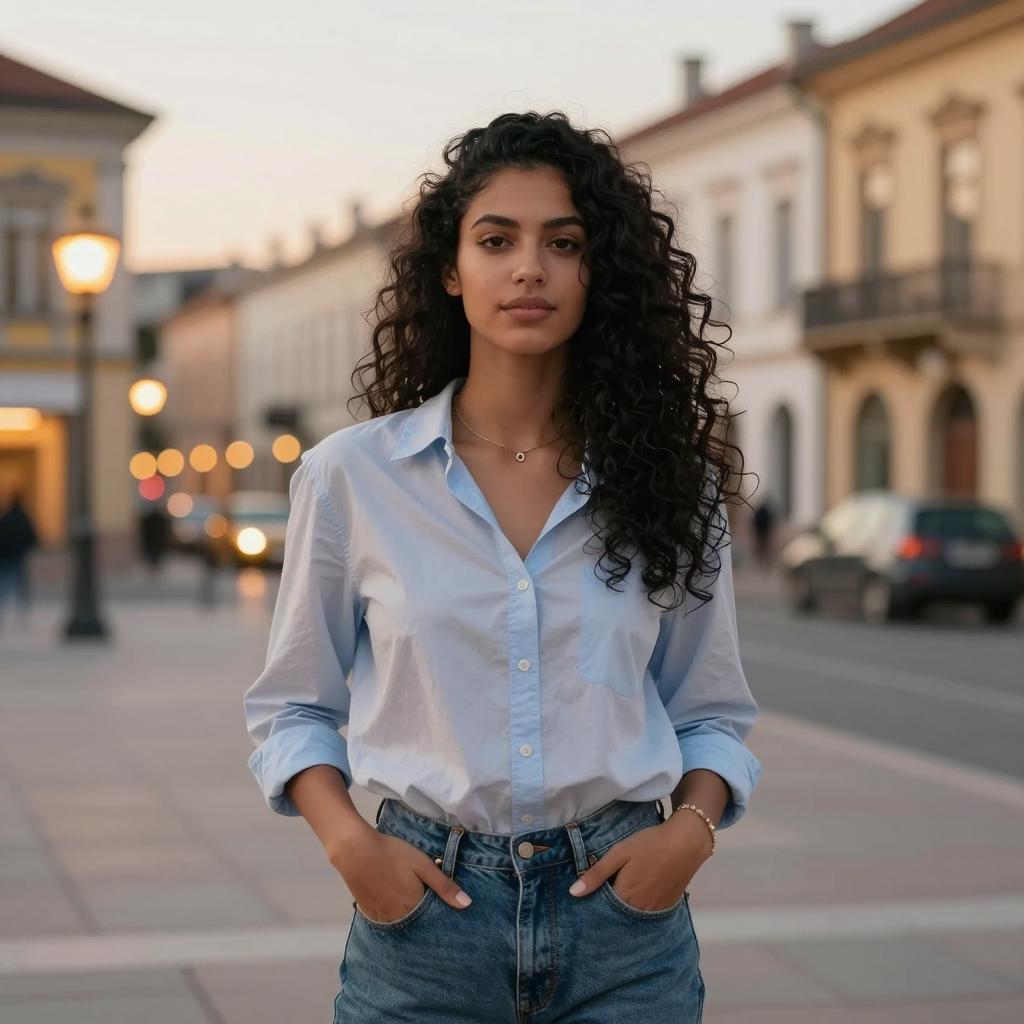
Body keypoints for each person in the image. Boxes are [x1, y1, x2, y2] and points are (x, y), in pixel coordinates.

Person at [243, 111, 762, 1023]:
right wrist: (350, 847)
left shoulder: (669, 482)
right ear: (452, 270)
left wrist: (691, 833)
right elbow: (293, 707)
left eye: (564, 242)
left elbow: (710, 712)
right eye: (497, 240)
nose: (530, 267)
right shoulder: (353, 476)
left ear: (599, 272)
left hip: (625, 928)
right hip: (422, 922)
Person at [0, 489, 39, 627]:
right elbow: (32, 536)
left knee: (3, 585)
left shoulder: (5, 517)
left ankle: (3, 612)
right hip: (18, 556)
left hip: (5, 557)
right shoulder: (23, 517)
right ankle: (23, 614)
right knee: (20, 586)